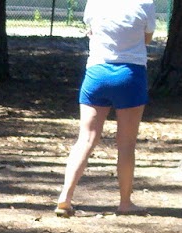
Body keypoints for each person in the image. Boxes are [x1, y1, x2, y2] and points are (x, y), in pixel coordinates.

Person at [55, 0, 156, 217]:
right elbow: (147, 38)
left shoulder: (95, 2)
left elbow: (90, 31)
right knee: (126, 144)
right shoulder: (146, 3)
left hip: (97, 72)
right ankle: (125, 202)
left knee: (86, 139)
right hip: (130, 74)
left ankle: (65, 196)